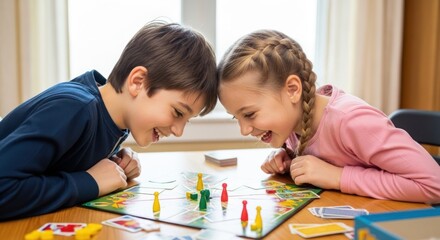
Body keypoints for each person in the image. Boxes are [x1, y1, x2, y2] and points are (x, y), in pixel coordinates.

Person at [0, 21, 218, 220]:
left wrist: (114, 160)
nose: (179, 131)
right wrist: (90, 182)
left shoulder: (110, 119)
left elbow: (58, 160)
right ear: (138, 82)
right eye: (178, 113)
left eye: (187, 121)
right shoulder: (75, 108)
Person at [217, 29, 440, 204]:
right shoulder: (293, 122)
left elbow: (435, 185)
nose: (244, 129)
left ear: (293, 90)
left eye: (249, 114)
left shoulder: (352, 121)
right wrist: (288, 159)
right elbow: (324, 153)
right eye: (236, 118)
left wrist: (338, 177)